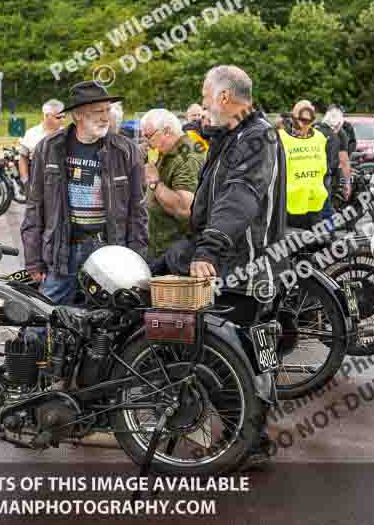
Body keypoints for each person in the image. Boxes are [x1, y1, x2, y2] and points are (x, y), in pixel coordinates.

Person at [157, 65, 286, 467]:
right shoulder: (236, 135)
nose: (201, 102)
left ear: (225, 97)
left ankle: (247, 443)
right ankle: (246, 440)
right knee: (240, 359)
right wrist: (212, 131)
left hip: (242, 269)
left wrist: (207, 250)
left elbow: (241, 197)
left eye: (205, 94)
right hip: (233, 264)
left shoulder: (256, 137)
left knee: (228, 360)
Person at [21, 81, 147, 305]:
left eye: (107, 110)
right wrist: (33, 260)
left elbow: (138, 211)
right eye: (98, 111)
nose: (105, 117)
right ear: (78, 115)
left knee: (106, 322)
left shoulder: (126, 151)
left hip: (108, 250)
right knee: (44, 318)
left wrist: (136, 257)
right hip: (62, 250)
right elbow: (35, 205)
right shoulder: (48, 148)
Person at [140, 109, 203, 257]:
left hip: (177, 251)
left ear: (167, 131)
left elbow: (185, 209)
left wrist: (155, 183)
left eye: (148, 136)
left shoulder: (187, 157)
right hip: (161, 246)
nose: (146, 141)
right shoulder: (167, 150)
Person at [279, 100, 336, 230]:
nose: (304, 124)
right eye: (301, 119)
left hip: (316, 206)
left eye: (309, 120)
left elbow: (326, 169)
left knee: (319, 246)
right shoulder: (280, 138)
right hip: (289, 209)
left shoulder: (320, 138)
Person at [314, 105, 353, 224]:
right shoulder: (340, 134)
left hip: (308, 176)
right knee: (326, 210)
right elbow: (344, 161)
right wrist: (347, 183)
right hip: (325, 175)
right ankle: (327, 235)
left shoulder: (314, 128)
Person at [18, 99, 65, 188]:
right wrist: (26, 182)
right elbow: (23, 158)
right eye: (58, 117)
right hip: (36, 185)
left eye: (64, 117)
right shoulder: (31, 133)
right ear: (47, 116)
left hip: (59, 186)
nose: (62, 120)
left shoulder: (66, 134)